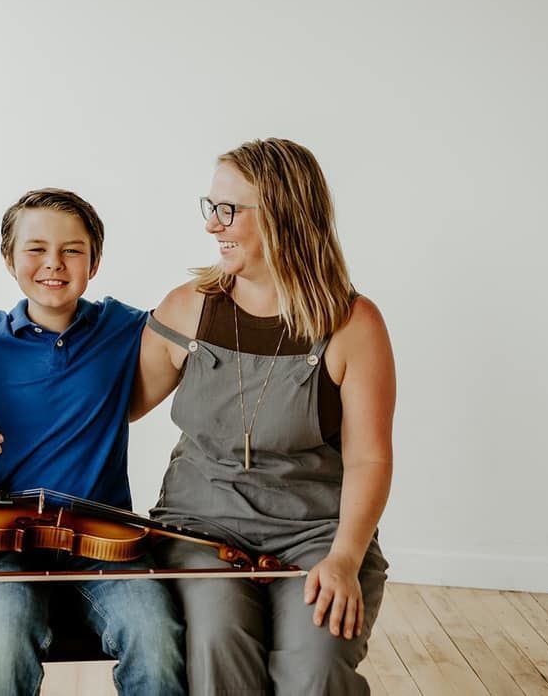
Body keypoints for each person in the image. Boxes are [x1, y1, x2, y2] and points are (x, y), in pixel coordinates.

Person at [131, 138, 394, 695]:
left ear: (283, 216)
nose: (212, 226)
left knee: (317, 668)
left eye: (229, 211)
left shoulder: (354, 325)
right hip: (200, 528)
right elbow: (113, 407)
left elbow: (369, 456)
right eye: (211, 208)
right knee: (216, 643)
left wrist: (345, 558)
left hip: (316, 533)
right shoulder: (189, 306)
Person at [0, 189, 186, 696]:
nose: (53, 264)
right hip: (6, 542)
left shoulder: (125, 326)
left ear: (94, 262)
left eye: (72, 250)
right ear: (8, 258)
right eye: (35, 249)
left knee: (156, 637)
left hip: (104, 539)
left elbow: (197, 319)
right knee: (6, 639)